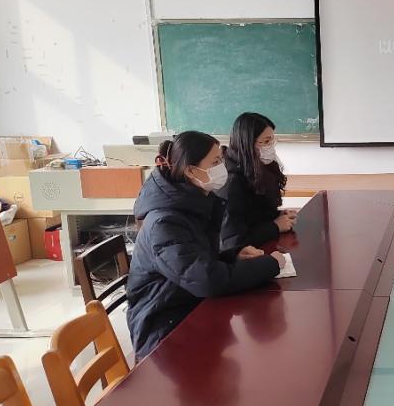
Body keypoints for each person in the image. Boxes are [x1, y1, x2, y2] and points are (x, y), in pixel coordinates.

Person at [126, 131, 285, 360]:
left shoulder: (193, 201)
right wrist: (270, 264)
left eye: (221, 160)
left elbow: (194, 260)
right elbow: (205, 280)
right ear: (191, 171)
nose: (222, 167)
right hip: (163, 330)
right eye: (215, 162)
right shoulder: (164, 222)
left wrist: (233, 255)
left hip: (189, 305)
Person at [217, 112, 296, 252]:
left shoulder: (259, 167)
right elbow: (233, 241)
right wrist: (275, 226)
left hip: (262, 248)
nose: (270, 147)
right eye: (265, 142)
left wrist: (278, 216)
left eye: (272, 141)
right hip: (245, 256)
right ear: (246, 143)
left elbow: (255, 215)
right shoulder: (231, 183)